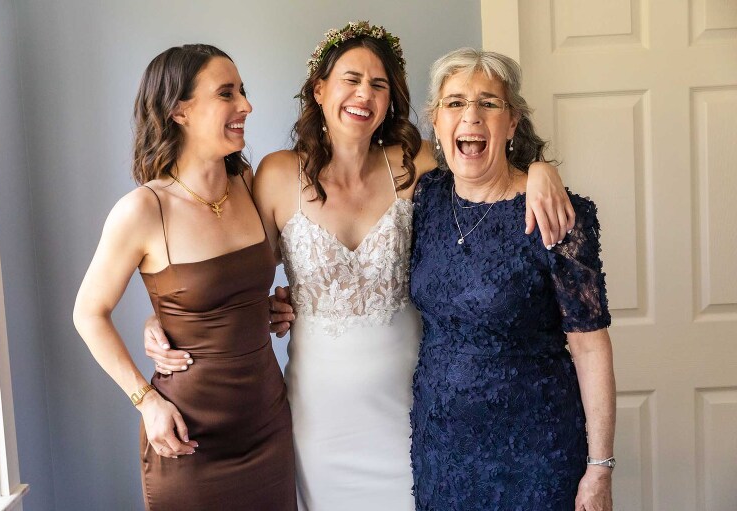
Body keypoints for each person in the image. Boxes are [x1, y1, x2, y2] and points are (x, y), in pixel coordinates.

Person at [144, 23, 574, 510]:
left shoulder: (415, 162)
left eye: (379, 84)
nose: (364, 94)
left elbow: (484, 163)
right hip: (318, 415)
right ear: (319, 90)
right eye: (351, 79)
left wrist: (541, 170)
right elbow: (230, 271)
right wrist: (164, 319)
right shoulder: (276, 174)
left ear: (391, 100)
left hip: (412, 406)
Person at [73, 44, 296, 510]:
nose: (246, 105)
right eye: (226, 93)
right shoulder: (143, 210)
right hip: (189, 436)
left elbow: (240, 284)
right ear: (179, 110)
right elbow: (88, 313)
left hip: (268, 422)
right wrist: (146, 401)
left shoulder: (250, 184)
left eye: (243, 91)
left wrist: (270, 305)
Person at [409, 48, 616, 511]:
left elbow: (590, 346)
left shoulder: (557, 215)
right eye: (455, 103)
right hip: (441, 450)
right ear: (436, 122)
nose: (471, 116)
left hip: (536, 451)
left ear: (512, 123)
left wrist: (600, 468)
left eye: (489, 103)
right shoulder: (425, 198)